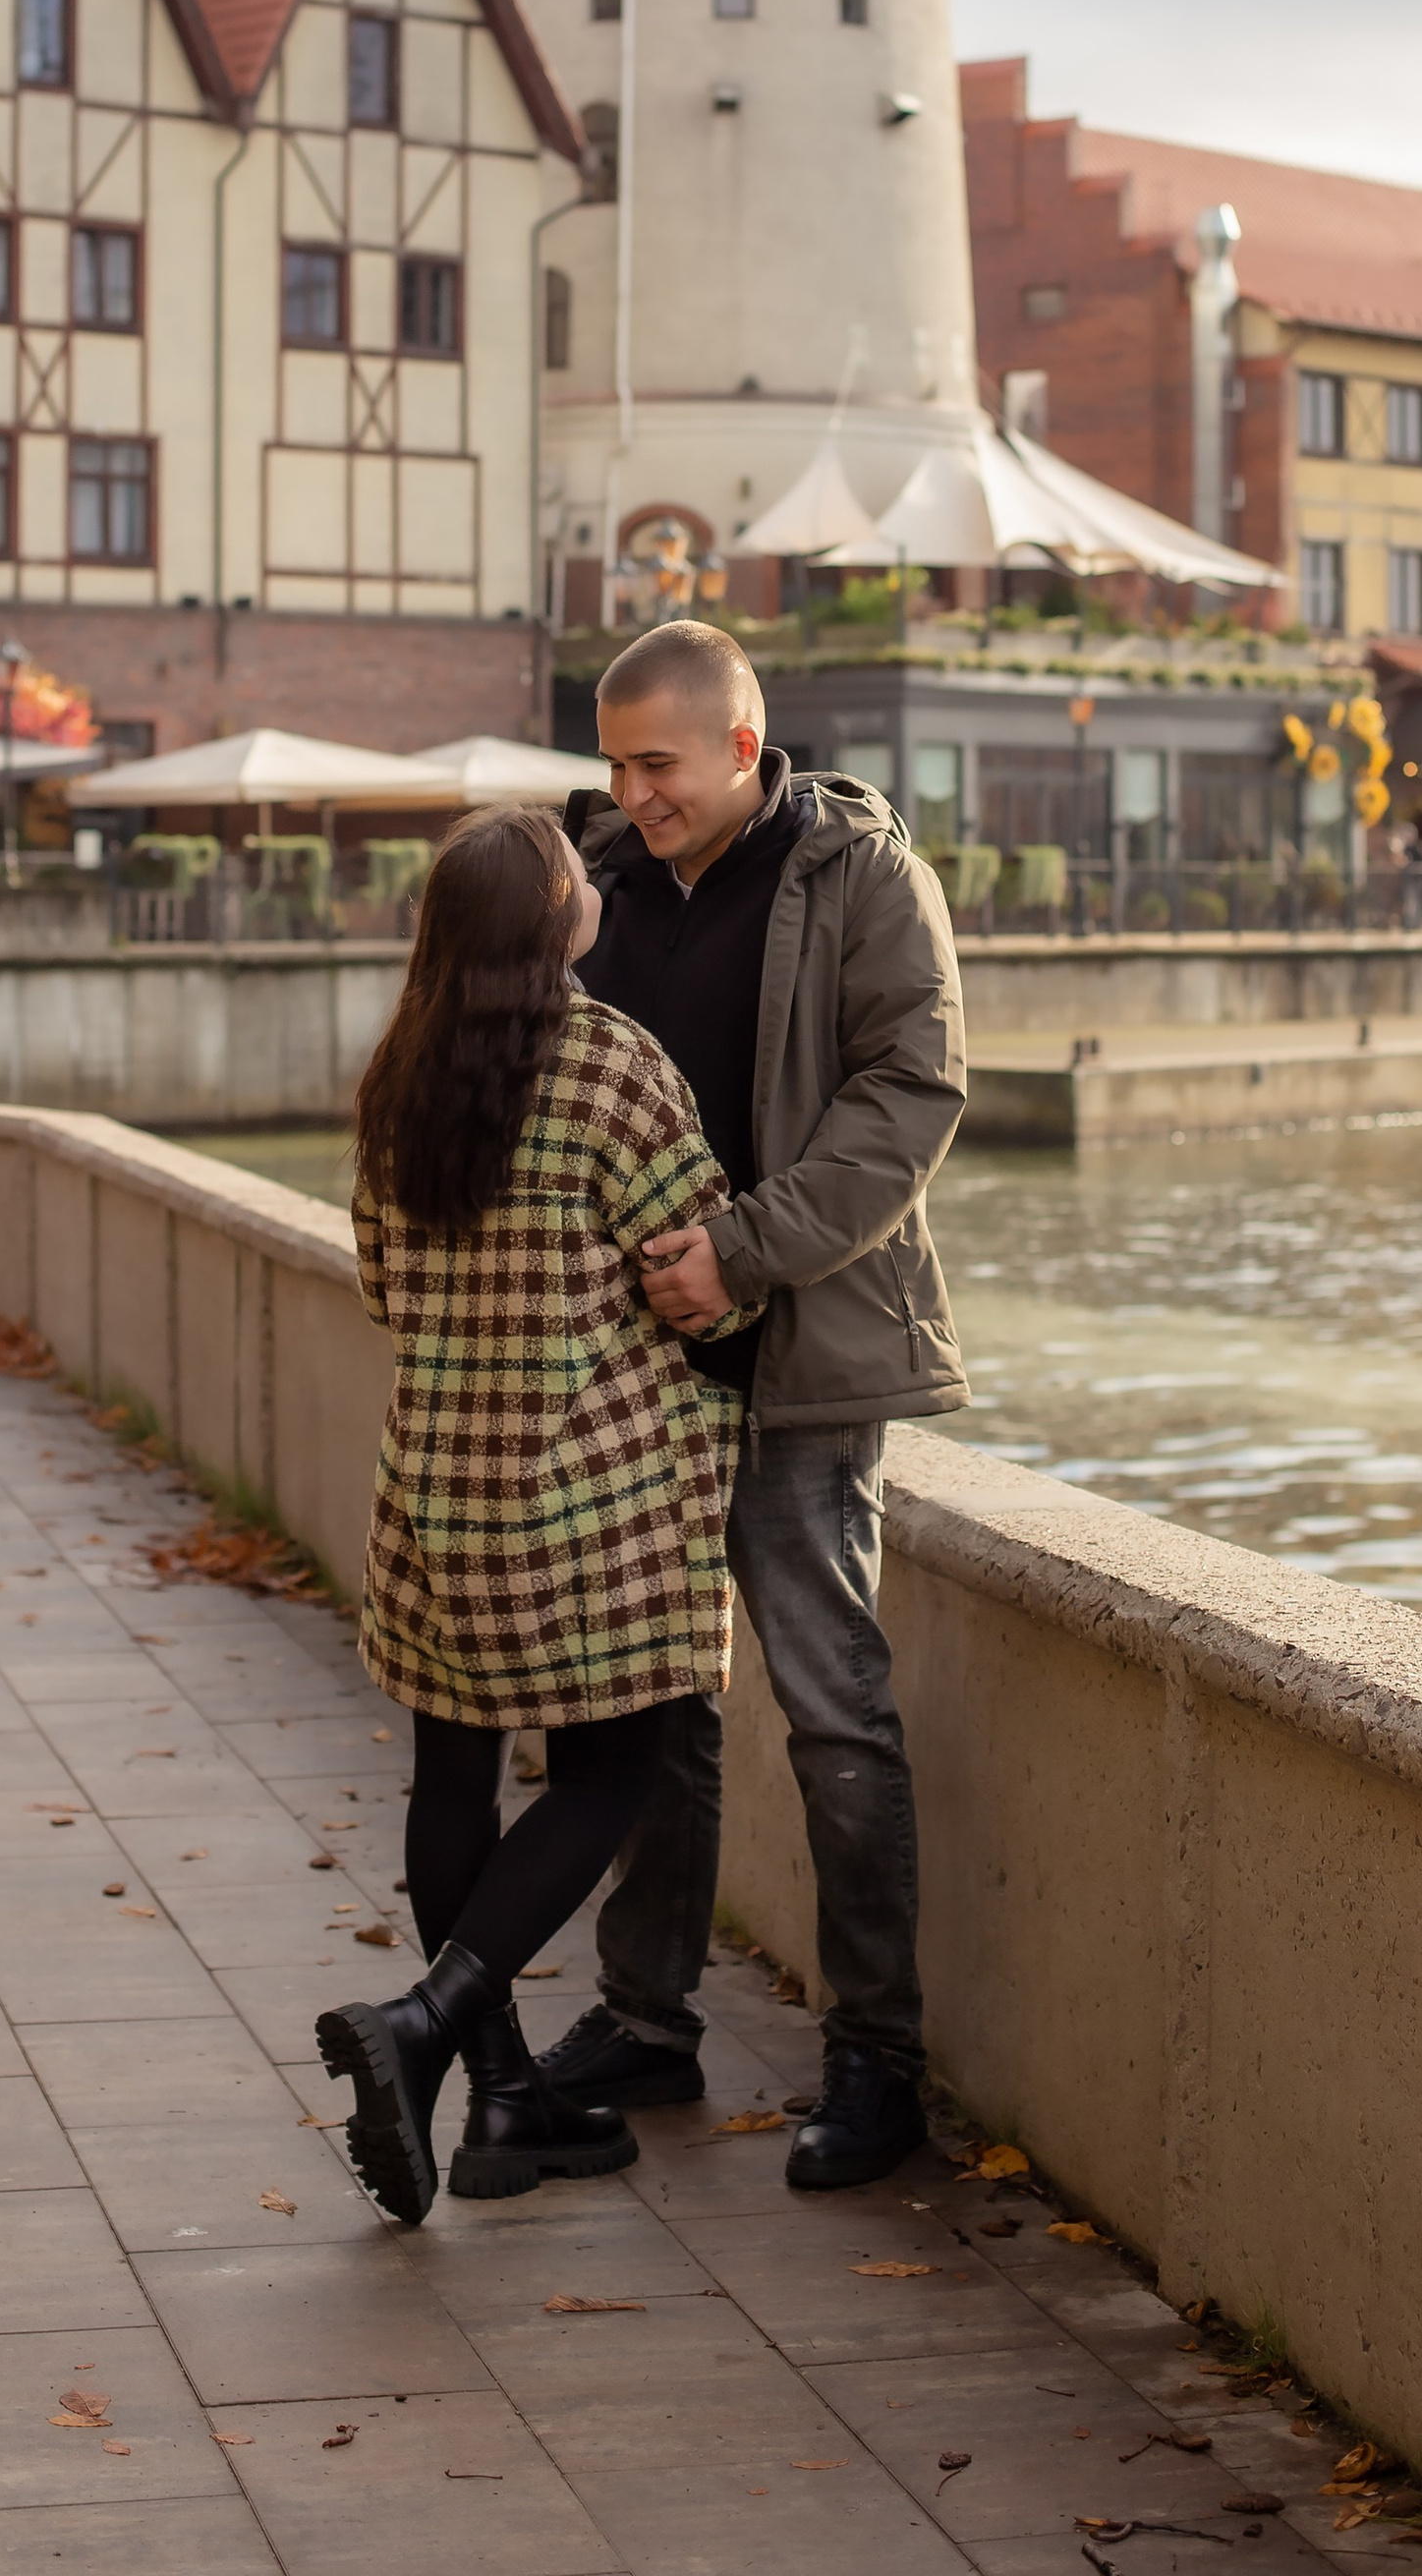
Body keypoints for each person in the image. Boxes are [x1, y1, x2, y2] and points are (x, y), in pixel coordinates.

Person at [534, 617, 968, 2190]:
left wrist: (740, 1253)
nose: (631, 795)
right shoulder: (601, 882)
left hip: (800, 1358)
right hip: (634, 1371)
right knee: (649, 1710)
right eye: (613, 767)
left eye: (655, 765)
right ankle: (647, 2018)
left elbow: (908, 1099)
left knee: (836, 1711)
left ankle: (878, 2062)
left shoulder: (863, 878)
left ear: (739, 744)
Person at [317, 801, 755, 2228]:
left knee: (452, 1779)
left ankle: (502, 2096)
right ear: (553, 918)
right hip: (587, 1494)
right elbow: (699, 1274)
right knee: (612, 1772)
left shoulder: (400, 1073)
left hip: (435, 1490)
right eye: (575, 871)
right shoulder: (613, 1065)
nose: (593, 873)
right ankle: (429, 2025)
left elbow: (381, 1285)